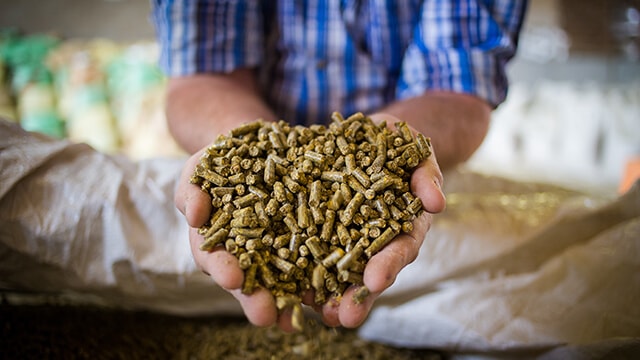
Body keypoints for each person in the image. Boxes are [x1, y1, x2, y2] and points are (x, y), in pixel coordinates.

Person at [151, 0, 527, 332]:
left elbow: (456, 86)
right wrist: (243, 143)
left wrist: (395, 146)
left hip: (422, 183)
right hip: (262, 142)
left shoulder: (368, 188)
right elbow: (202, 76)